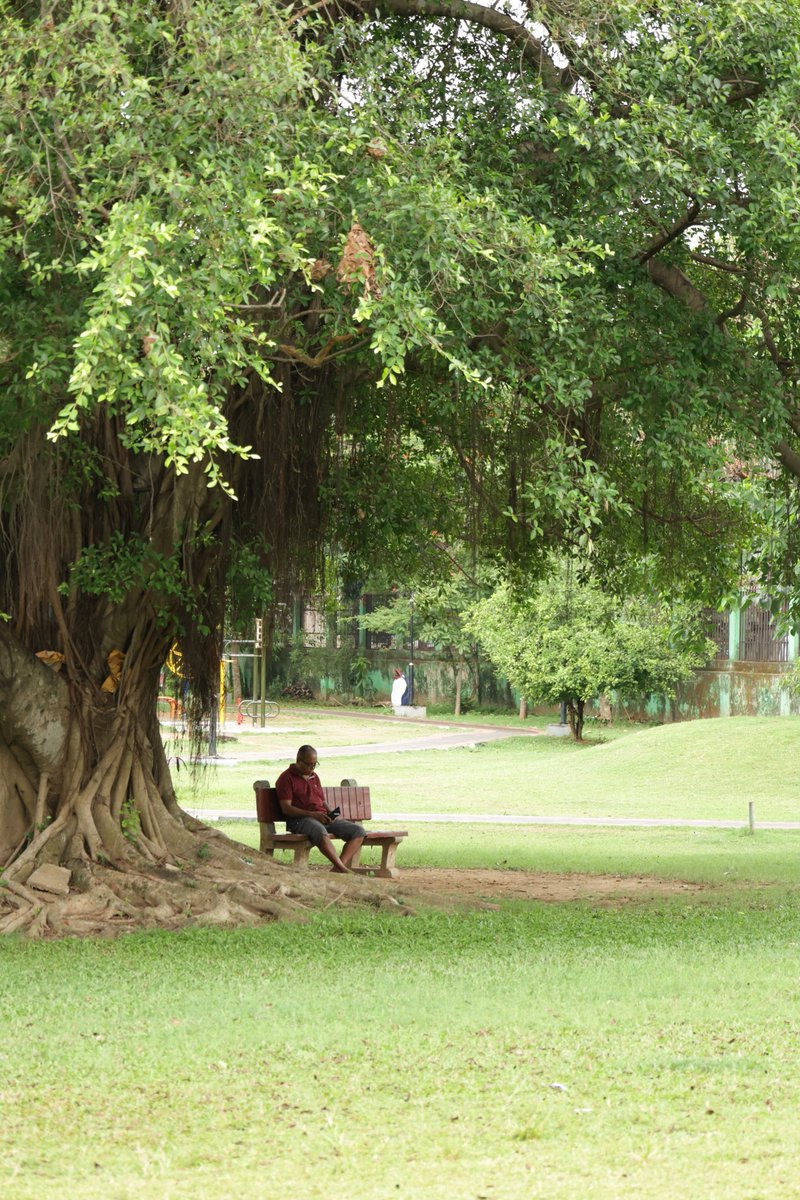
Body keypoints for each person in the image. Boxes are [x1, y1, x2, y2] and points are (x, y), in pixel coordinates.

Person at [275, 745, 365, 874]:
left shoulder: (314, 776)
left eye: (314, 764)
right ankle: (343, 869)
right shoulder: (286, 778)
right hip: (300, 820)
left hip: (321, 817)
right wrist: (312, 814)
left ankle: (337, 869)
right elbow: (286, 808)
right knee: (320, 831)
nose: (312, 768)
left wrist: (330, 813)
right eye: (309, 764)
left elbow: (321, 800)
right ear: (299, 761)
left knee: (358, 831)